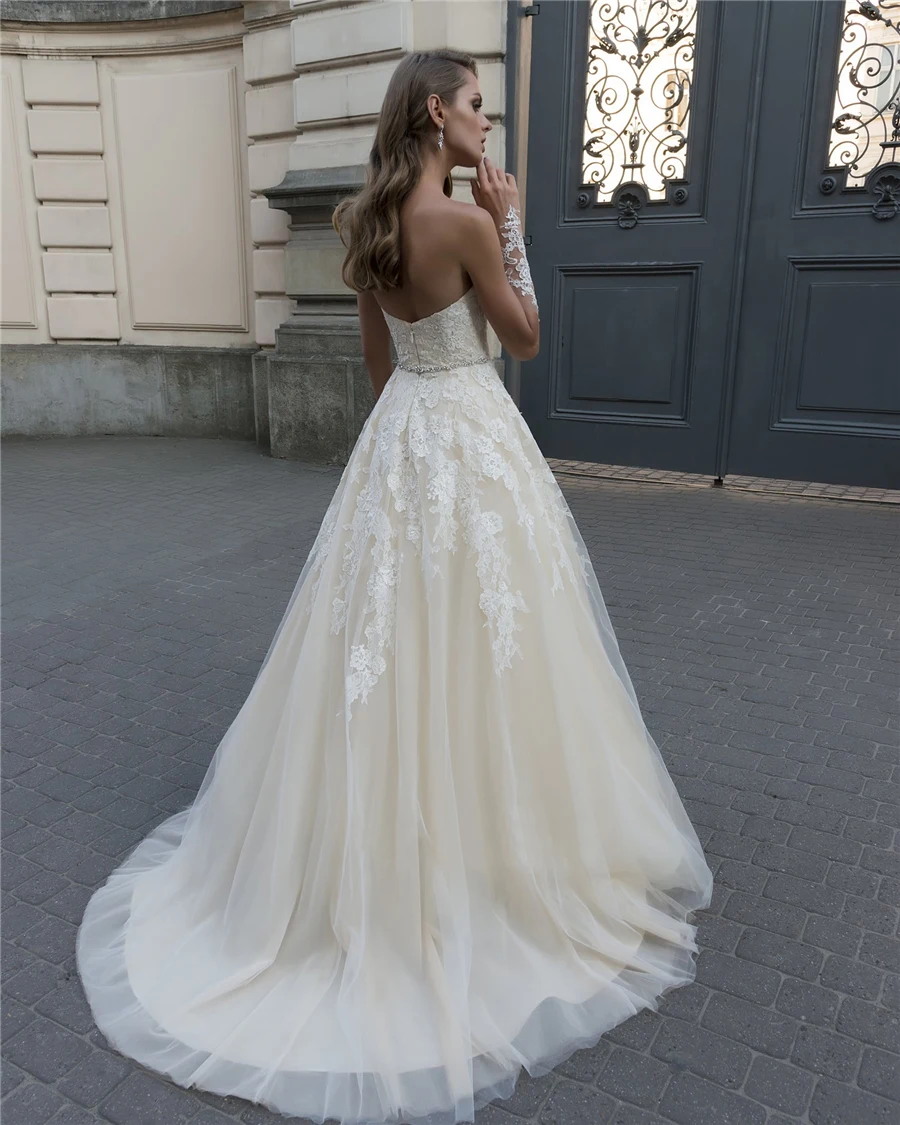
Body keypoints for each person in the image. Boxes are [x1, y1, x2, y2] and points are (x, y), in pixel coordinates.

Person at [76, 49, 713, 1125]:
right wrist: (510, 223)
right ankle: (491, 863)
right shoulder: (465, 222)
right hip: (471, 437)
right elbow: (526, 339)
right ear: (435, 115)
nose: (486, 127)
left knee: (392, 644)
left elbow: (383, 373)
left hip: (402, 445)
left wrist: (422, 404)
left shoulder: (366, 229)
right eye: (476, 108)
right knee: (494, 646)